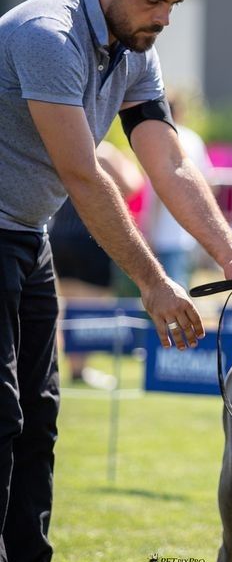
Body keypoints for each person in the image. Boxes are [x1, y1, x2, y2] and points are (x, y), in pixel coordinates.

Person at [0, 0, 232, 562]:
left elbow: (170, 163)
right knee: (0, 417)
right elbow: (83, 176)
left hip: (24, 235)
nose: (164, 18)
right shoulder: (47, 36)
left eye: (174, 5)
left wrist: (230, 253)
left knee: (39, 416)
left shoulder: (134, 51)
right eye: (153, 0)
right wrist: (154, 285)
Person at [50, 141, 145, 386]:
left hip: (59, 233)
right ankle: (79, 369)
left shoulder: (61, 145)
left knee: (71, 305)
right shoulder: (104, 152)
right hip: (90, 235)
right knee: (90, 307)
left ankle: (73, 367)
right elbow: (133, 184)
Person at [141, 91, 213, 289]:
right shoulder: (193, 139)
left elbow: (158, 190)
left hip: (165, 235)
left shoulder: (158, 138)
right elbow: (208, 184)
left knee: (167, 293)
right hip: (191, 233)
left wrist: (149, 231)